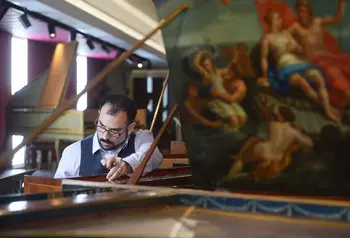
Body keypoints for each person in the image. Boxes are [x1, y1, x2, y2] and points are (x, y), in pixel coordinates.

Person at [54, 94, 163, 180]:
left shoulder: (141, 140)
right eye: (101, 126)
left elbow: (153, 155)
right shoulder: (74, 152)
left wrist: (127, 165)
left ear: (130, 128)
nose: (105, 136)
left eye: (114, 130)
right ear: (99, 115)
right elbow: (59, 192)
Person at [259, 9, 339, 122]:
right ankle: (328, 110)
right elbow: (264, 58)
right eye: (277, 18)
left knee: (317, 76)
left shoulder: (286, 33)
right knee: (302, 82)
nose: (280, 20)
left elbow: (301, 50)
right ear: (271, 21)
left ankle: (328, 108)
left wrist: (295, 48)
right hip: (284, 66)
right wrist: (264, 75)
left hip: (297, 62)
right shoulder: (266, 39)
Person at [289, 0, 350, 108]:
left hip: (329, 56)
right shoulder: (295, 27)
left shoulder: (318, 21)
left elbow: (336, 18)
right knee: (334, 72)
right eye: (299, 12)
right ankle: (345, 93)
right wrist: (293, 45)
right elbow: (283, 37)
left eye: (304, 11)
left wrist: (341, 4)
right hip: (315, 60)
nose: (302, 15)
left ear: (309, 11)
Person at [227, 105, 313, 180]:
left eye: (278, 114)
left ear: (281, 116)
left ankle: (230, 176)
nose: (277, 115)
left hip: (263, 151)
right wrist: (294, 146)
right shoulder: (294, 132)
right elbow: (310, 143)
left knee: (242, 157)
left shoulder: (273, 124)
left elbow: (261, 135)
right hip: (277, 157)